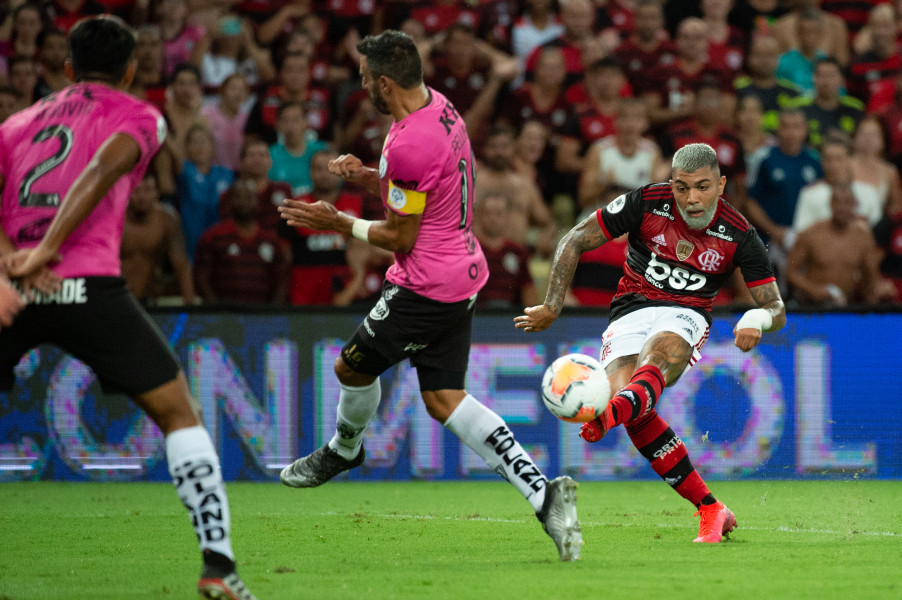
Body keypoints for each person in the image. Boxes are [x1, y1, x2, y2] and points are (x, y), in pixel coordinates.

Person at [277, 30, 582, 562]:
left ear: (386, 82)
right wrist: (369, 176)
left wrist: (338, 219)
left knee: (350, 369)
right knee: (445, 399)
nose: (364, 85)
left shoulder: (407, 143)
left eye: (368, 79)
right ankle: (543, 493)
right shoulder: (440, 108)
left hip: (425, 286)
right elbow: (423, 189)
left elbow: (400, 236)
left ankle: (344, 449)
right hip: (463, 274)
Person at [0, 17, 256, 599]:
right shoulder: (141, 115)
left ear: (66, 67)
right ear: (132, 70)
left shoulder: (14, 124)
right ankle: (218, 566)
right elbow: (103, 167)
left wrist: (10, 260)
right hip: (87, 284)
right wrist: (48, 248)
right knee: (178, 413)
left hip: (12, 288)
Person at [515, 142, 787, 543]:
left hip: (686, 314)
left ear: (721, 185)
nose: (691, 198)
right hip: (631, 310)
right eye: (681, 187)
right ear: (670, 184)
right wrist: (553, 305)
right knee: (634, 405)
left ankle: (605, 417)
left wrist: (755, 317)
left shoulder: (739, 234)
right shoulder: (645, 202)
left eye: (702, 186)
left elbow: (776, 308)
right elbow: (574, 238)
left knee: (656, 360)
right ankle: (711, 509)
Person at [787, 184, 896, 305]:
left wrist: (880, 290)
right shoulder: (811, 234)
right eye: (837, 202)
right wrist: (812, 289)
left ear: (855, 205)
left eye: (847, 203)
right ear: (830, 204)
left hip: (846, 307)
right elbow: (791, 272)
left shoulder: (863, 238)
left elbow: (870, 277)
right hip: (812, 306)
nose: (842, 208)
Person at [194, 181, 290, 305]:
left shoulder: (271, 240)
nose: (244, 201)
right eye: (239, 196)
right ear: (230, 201)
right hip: (223, 315)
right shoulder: (212, 237)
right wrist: (216, 309)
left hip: (262, 315)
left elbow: (282, 281)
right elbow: (201, 279)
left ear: (257, 201)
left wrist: (271, 313)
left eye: (249, 196)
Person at [121, 173, 195, 305]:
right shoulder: (114, 222)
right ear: (127, 192)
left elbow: (181, 265)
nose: (142, 197)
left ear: (157, 193)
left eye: (147, 190)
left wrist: (191, 306)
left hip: (149, 300)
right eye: (136, 191)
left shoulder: (166, 221)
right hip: (117, 298)